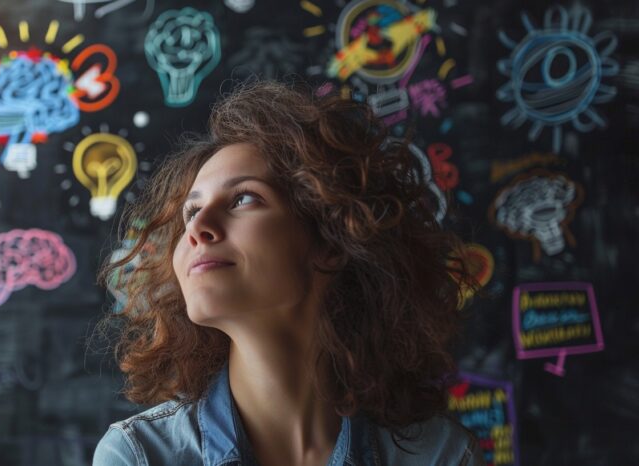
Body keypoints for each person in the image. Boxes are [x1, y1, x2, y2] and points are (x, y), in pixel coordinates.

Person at [91, 79, 486, 466]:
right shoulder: (137, 456)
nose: (196, 228)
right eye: (191, 212)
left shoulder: (442, 456)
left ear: (332, 240)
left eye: (243, 198)